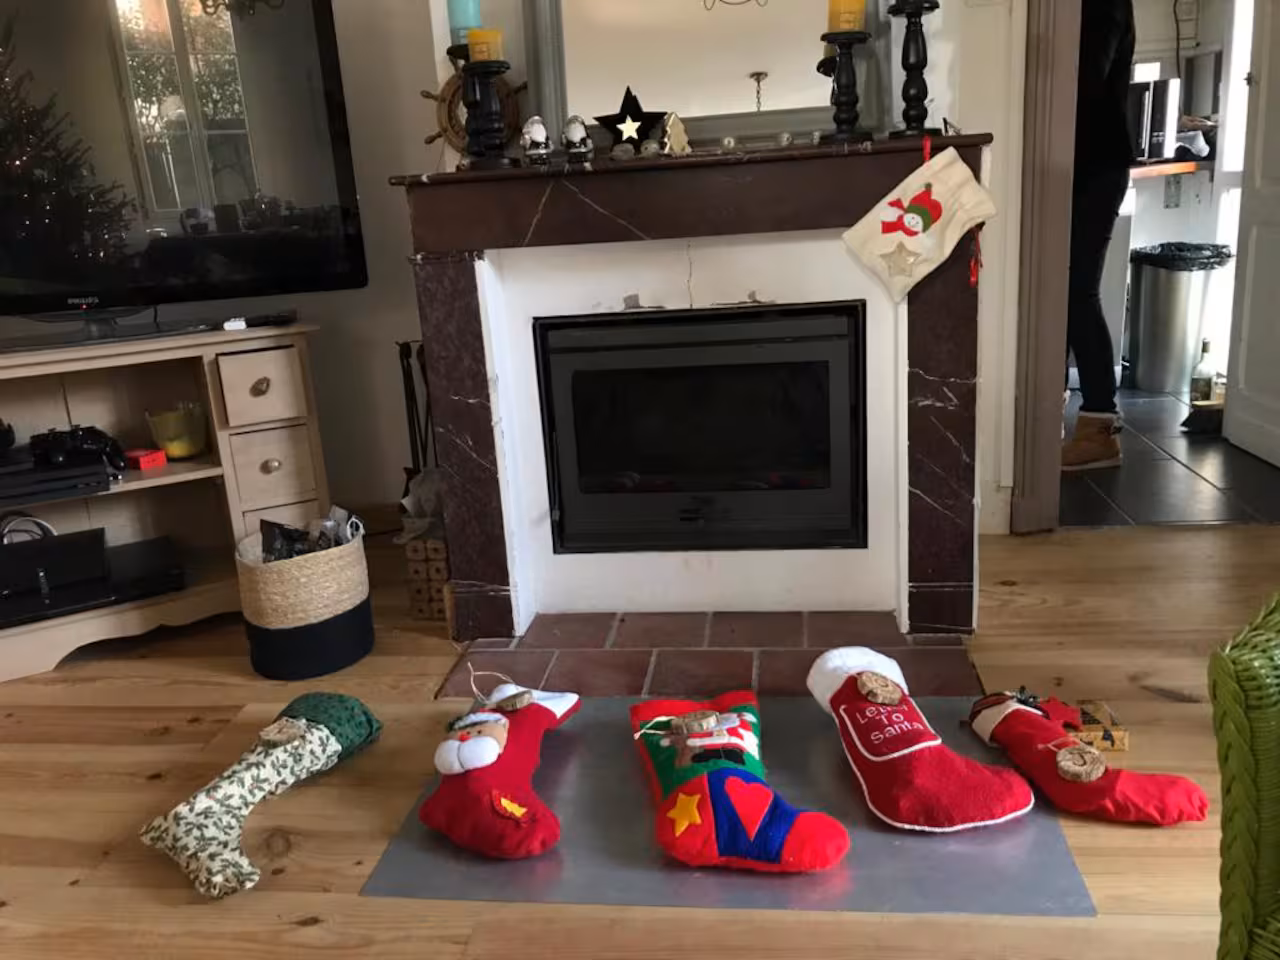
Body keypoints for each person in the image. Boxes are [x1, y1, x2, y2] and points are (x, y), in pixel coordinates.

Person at [1063, 0, 1136, 470]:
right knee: (1063, 291)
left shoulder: (1104, 3)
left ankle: (1099, 426)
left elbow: (1084, 84)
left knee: (1076, 292)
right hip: (1083, 164)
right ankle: (1066, 412)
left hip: (1096, 166)